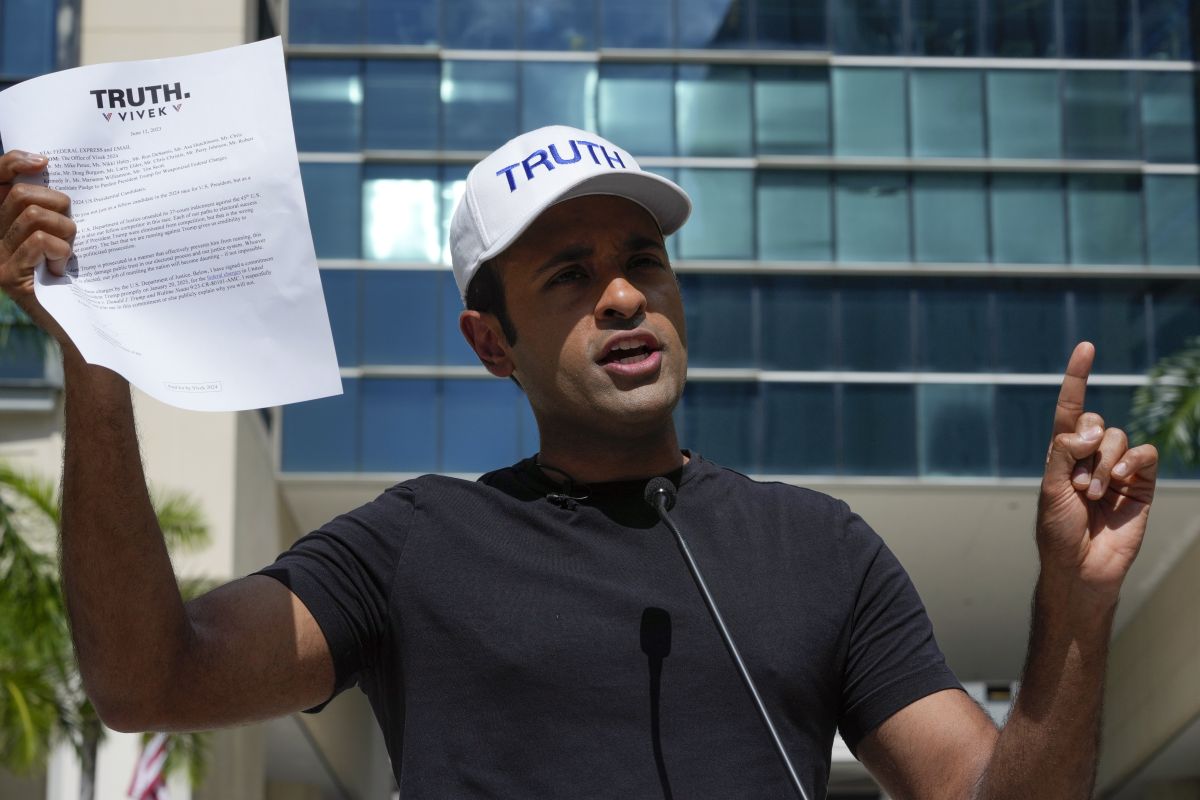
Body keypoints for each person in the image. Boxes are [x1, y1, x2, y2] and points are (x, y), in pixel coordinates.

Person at [0, 125, 1159, 798]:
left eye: (642, 260)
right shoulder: (410, 544)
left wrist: (1075, 600)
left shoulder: (820, 545)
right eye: (568, 275)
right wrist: (97, 368)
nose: (621, 293)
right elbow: (152, 679)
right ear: (489, 341)